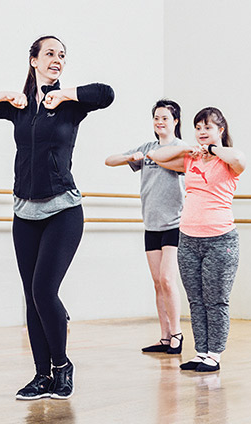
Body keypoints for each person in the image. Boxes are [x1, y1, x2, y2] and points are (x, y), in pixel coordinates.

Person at [0, 35, 114, 400]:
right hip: (24, 211)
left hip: (63, 210)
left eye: (62, 55)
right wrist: (0, 96)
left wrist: (67, 93)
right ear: (34, 60)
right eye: (49, 54)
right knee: (31, 297)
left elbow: (106, 93)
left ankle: (62, 366)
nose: (56, 60)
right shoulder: (21, 106)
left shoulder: (71, 104)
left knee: (44, 290)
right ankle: (42, 375)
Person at [147, 107, 246, 372]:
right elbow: (156, 155)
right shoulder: (190, 160)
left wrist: (212, 150)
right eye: (198, 128)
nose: (202, 133)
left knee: (216, 300)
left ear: (220, 130)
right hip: (189, 240)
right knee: (196, 300)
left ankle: (215, 354)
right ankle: (201, 352)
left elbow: (239, 157)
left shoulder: (227, 161)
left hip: (220, 240)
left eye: (208, 128)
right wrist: (188, 150)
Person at [105, 99, 185, 355]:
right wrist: (132, 156)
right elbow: (110, 160)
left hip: (174, 223)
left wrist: (154, 158)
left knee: (168, 280)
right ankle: (164, 337)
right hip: (151, 225)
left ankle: (177, 335)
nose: (159, 122)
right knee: (157, 283)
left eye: (165, 118)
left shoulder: (181, 149)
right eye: (156, 118)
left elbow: (182, 167)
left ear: (175, 121)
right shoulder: (147, 148)